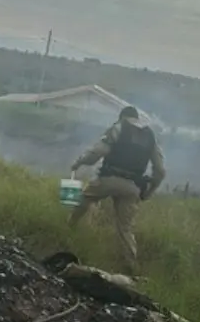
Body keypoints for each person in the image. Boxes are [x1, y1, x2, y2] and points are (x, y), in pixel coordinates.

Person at [69, 106, 166, 273]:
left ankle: (69, 228)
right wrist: (149, 192)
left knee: (85, 199)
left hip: (108, 179)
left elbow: (97, 152)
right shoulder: (150, 136)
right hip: (132, 187)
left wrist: (78, 163)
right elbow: (160, 170)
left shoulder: (119, 127)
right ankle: (132, 267)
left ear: (122, 117)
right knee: (125, 229)